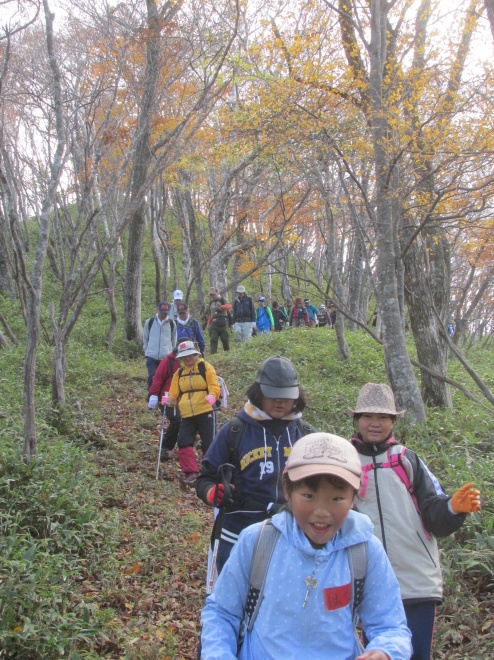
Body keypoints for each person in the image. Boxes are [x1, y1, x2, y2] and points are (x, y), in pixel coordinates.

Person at [200, 432, 412, 659]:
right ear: (287, 490)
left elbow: (390, 626)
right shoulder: (259, 541)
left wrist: (385, 651)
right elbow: (222, 612)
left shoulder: (364, 550)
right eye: (309, 496)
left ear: (354, 496)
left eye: (337, 499)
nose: (321, 512)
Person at [350, 383, 482, 660]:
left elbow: (434, 514)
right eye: (368, 416)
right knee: (377, 653)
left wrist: (453, 509)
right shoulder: (345, 461)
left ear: (393, 421)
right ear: (357, 419)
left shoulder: (407, 460)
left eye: (384, 417)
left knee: (417, 652)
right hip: (368, 579)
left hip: (416, 579)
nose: (375, 423)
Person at [196, 356, 315, 573]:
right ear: (258, 393)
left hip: (293, 535)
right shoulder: (234, 431)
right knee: (236, 600)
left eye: (286, 397)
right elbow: (205, 478)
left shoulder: (306, 435)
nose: (280, 402)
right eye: (272, 396)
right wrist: (212, 493)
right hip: (238, 533)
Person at [164, 340, 220, 485]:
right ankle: (191, 472)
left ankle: (210, 472)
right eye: (184, 357)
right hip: (187, 413)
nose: (188, 359)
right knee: (183, 442)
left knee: (209, 443)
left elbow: (214, 385)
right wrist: (168, 400)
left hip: (205, 409)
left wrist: (213, 396)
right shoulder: (179, 373)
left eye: (190, 355)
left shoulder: (205, 367)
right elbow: (174, 393)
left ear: (196, 354)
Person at [148, 347, 181, 460]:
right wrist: (153, 395)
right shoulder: (168, 361)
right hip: (167, 397)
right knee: (177, 420)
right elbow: (158, 378)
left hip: (186, 399)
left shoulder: (194, 361)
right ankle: (166, 448)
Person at [143, 301, 177, 390]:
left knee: (165, 377)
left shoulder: (172, 324)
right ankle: (151, 397)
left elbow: (174, 340)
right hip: (151, 356)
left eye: (165, 313)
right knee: (152, 376)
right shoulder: (149, 322)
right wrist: (147, 351)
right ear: (157, 310)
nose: (163, 315)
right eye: (162, 313)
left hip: (165, 357)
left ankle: (162, 398)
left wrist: (171, 353)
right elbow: (145, 338)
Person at [207, 287, 232, 355]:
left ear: (216, 293)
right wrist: (208, 324)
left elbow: (229, 306)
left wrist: (221, 307)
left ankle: (227, 354)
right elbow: (209, 314)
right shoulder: (211, 302)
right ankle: (213, 355)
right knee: (213, 340)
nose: (212, 296)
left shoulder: (222, 299)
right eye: (211, 295)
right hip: (214, 323)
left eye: (213, 294)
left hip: (223, 322)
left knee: (225, 339)